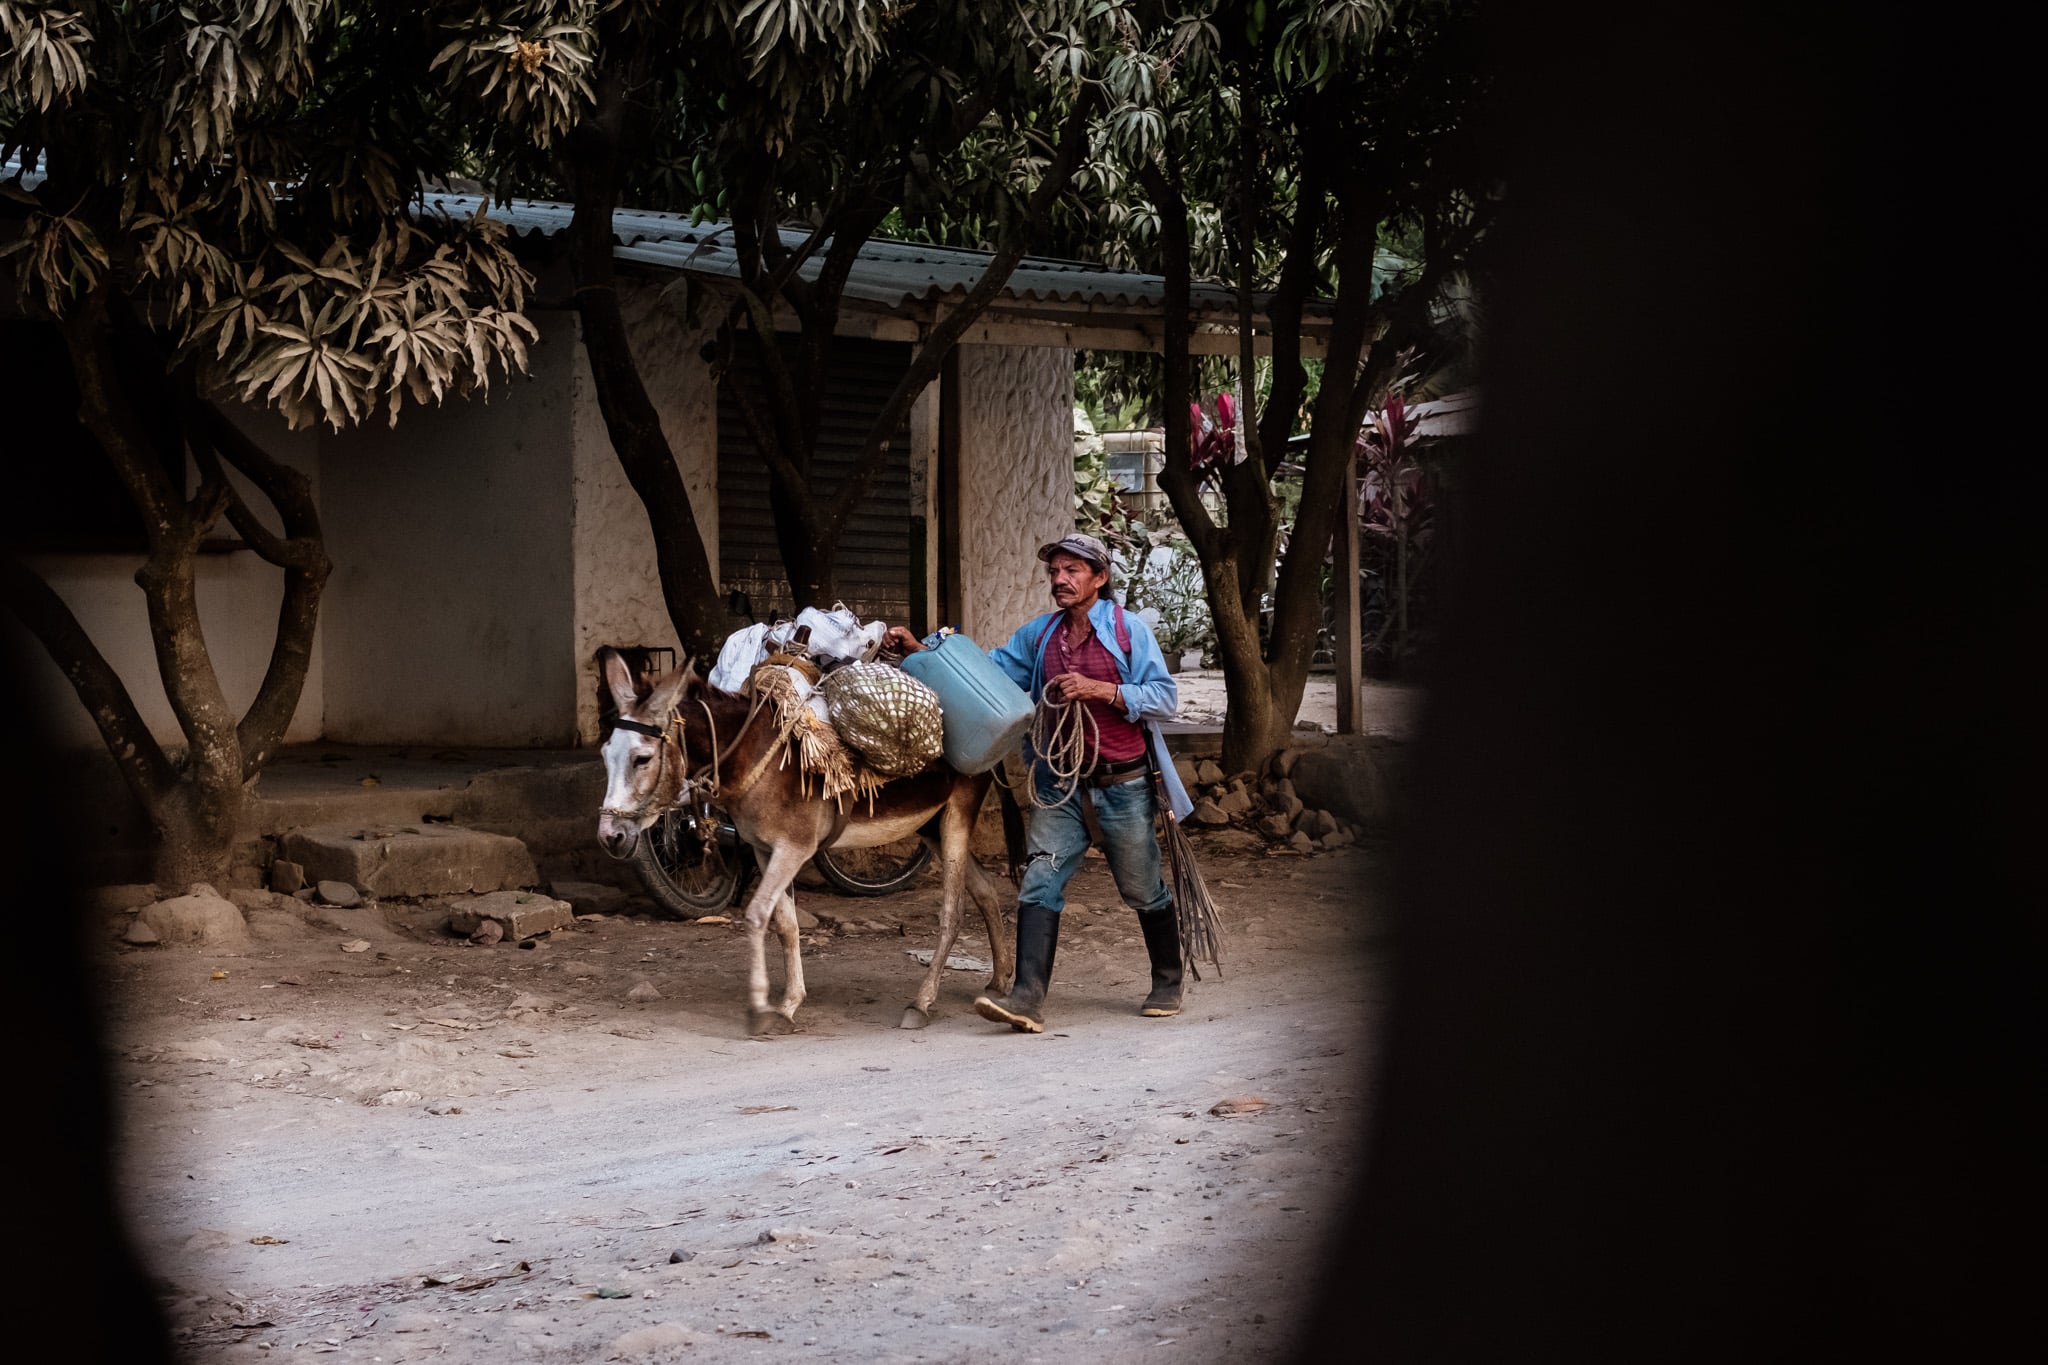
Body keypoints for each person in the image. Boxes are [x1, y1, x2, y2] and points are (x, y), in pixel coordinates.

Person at [884, 532, 1195, 1033]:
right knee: (1039, 883)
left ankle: (1167, 979)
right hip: (1059, 786)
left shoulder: (1127, 630)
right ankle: (1026, 998)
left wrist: (1101, 690)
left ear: (1100, 578)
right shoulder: (1040, 636)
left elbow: (1164, 698)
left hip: (1123, 783)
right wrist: (921, 651)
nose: (1060, 580)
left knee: (1140, 888)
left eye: (1072, 571)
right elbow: (983, 677)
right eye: (1054, 572)